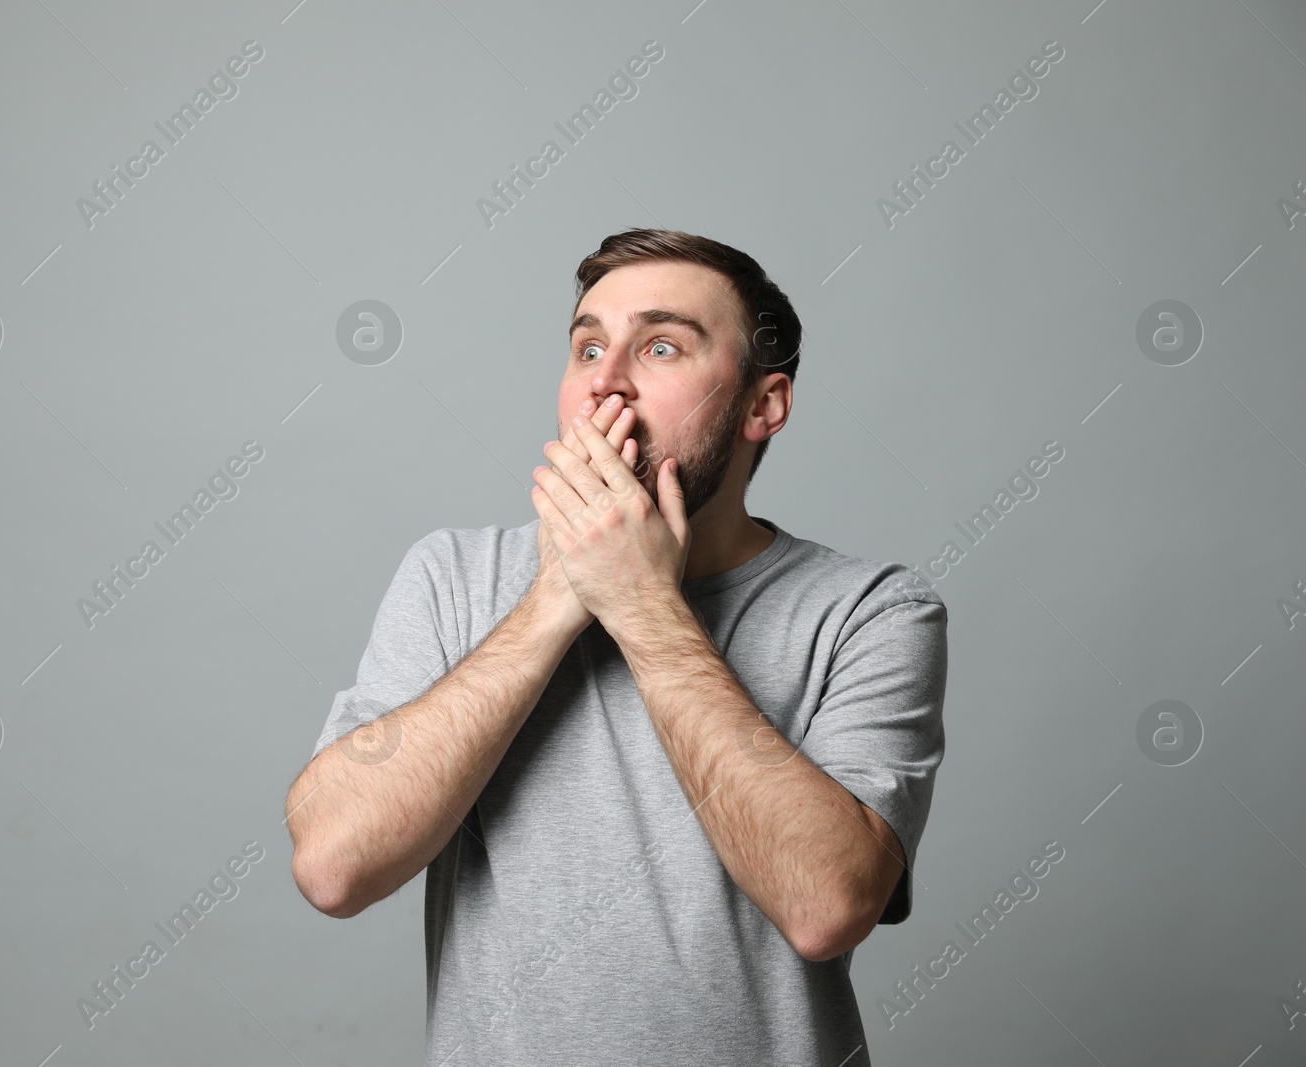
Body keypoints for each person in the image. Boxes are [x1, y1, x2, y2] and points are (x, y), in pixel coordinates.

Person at [285, 228, 948, 1066]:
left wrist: (643, 606)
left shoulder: (870, 610)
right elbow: (334, 867)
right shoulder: (451, 575)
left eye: (662, 345)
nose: (607, 379)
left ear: (762, 405)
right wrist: (555, 602)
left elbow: (828, 905)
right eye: (587, 346)